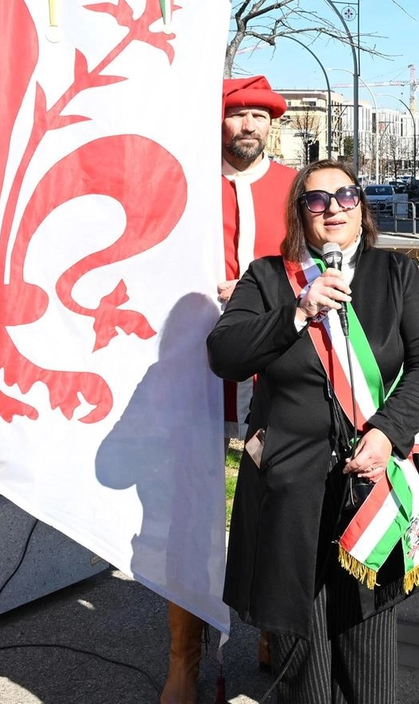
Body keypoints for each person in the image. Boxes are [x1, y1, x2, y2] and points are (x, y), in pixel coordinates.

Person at [208, 160, 419, 703]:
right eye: (317, 200)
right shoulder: (269, 278)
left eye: (345, 195)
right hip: (291, 489)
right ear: (301, 215)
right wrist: (298, 311)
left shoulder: (395, 274)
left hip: (375, 483)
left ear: (361, 206)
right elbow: (223, 354)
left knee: (368, 641)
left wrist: (389, 431)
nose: (334, 208)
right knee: (304, 649)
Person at [162, 75, 299, 704]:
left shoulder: (297, 189)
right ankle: (183, 659)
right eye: (235, 114)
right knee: (189, 514)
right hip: (194, 362)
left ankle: (273, 626)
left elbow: (320, 260)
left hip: (276, 367)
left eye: (258, 115)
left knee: (276, 505)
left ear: (272, 125)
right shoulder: (186, 185)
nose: (247, 124)